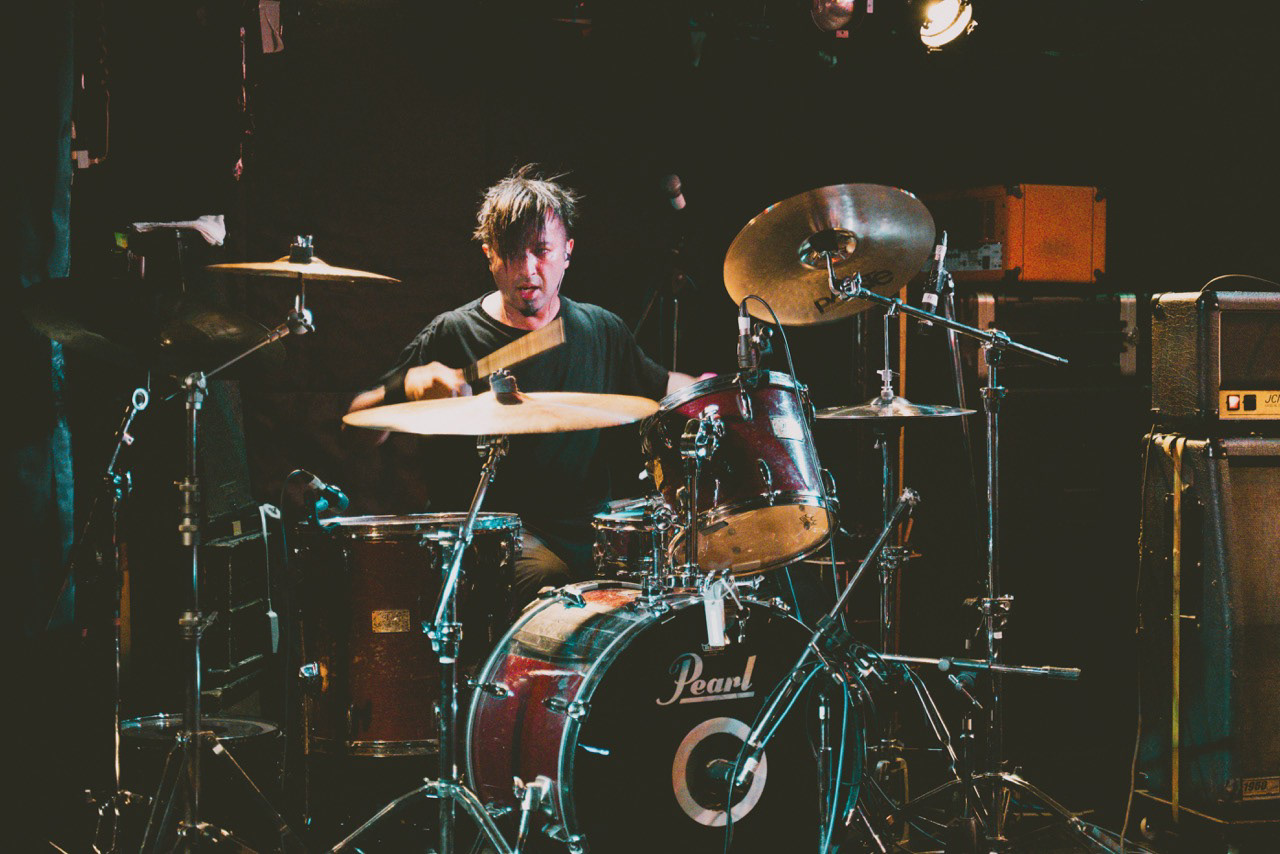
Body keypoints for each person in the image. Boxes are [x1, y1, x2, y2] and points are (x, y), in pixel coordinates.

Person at [348, 165, 704, 606]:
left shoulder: (599, 330)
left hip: (589, 536)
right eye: (511, 254)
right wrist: (407, 385)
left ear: (568, 251)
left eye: (541, 251)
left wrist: (713, 393)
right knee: (548, 580)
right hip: (489, 540)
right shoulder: (452, 334)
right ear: (488, 255)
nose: (527, 269)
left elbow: (663, 384)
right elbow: (357, 427)